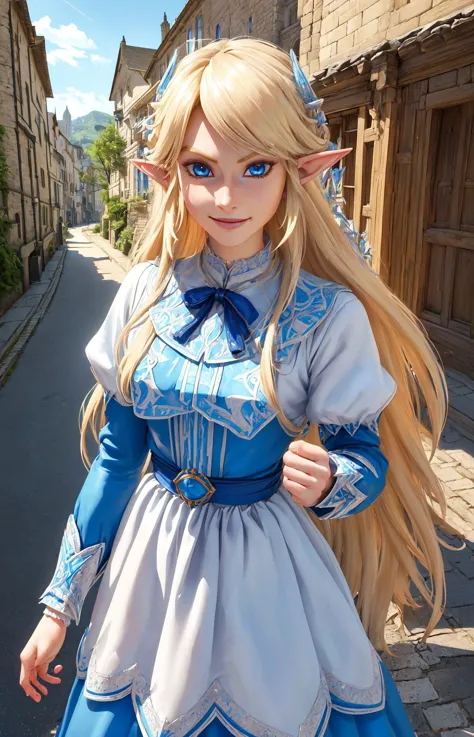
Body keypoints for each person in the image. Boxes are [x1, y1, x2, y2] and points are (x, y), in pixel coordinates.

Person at [20, 39, 449, 737]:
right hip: (150, 569)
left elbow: (367, 457)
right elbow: (117, 458)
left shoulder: (325, 314)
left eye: (256, 167)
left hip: (270, 569)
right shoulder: (141, 294)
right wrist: (58, 608)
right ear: (169, 175)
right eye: (201, 168)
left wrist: (332, 474)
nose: (226, 196)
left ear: (298, 172)